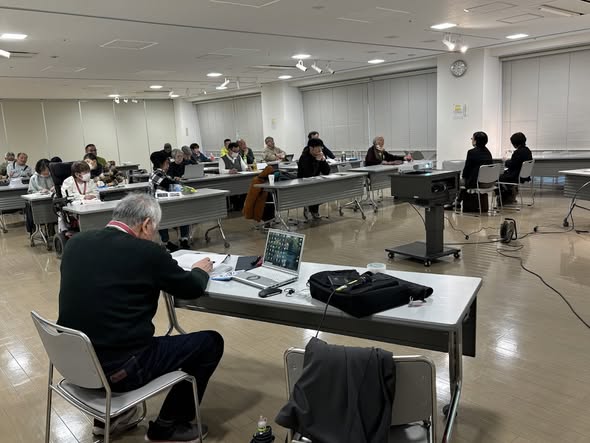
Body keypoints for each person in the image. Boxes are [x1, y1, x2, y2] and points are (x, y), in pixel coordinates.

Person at [57, 193, 223, 442]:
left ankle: (109, 419)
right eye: (155, 229)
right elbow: (191, 289)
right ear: (146, 225)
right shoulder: (148, 252)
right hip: (119, 371)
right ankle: (167, 426)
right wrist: (200, 271)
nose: (154, 235)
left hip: (73, 363)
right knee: (210, 342)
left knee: (102, 323)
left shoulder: (76, 243)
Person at [149, 150, 191, 251]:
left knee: (184, 212)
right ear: (162, 163)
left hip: (167, 202)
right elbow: (167, 183)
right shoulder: (156, 174)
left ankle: (184, 238)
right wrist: (175, 181)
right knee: (164, 219)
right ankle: (165, 242)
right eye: (167, 163)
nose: (168, 165)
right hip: (157, 205)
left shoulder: (162, 173)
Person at [298, 138, 331, 220]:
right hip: (303, 184)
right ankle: (310, 208)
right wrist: (317, 161)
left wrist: (323, 161)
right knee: (315, 191)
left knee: (327, 191)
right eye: (318, 147)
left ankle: (313, 210)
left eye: (321, 147)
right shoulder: (304, 158)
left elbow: (326, 172)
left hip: (315, 182)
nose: (320, 150)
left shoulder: (319, 155)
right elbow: (309, 174)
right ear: (311, 148)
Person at [498, 132, 533, 203]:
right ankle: (511, 195)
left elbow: (511, 165)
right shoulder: (528, 151)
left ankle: (506, 197)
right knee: (503, 176)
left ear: (515, 143)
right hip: (524, 176)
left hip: (515, 176)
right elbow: (516, 163)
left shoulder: (518, 152)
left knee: (497, 178)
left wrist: (505, 161)